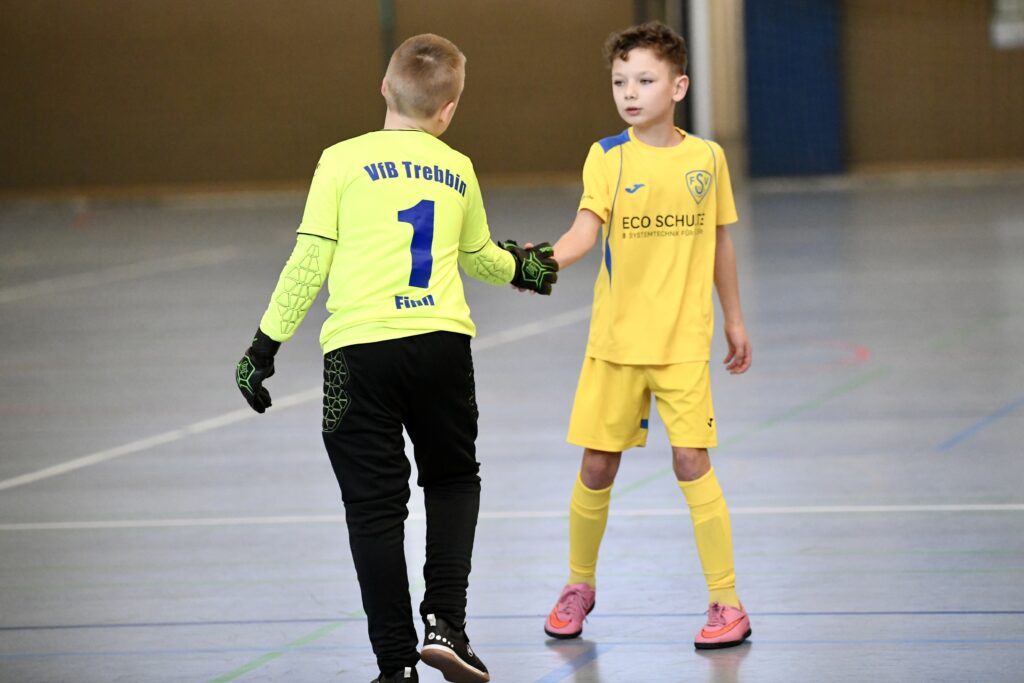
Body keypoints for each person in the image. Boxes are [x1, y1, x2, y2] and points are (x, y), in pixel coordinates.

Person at [234, 34, 558, 683]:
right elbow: (479, 259)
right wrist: (524, 266)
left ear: (383, 88)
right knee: (451, 478)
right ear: (450, 110)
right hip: (442, 347)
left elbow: (308, 264)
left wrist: (262, 348)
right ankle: (447, 622)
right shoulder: (457, 166)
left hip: (358, 356)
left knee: (375, 509)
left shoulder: (341, 161)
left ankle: (394, 665)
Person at [540, 21, 753, 650]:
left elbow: (719, 242)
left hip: (684, 343)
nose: (629, 92)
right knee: (597, 465)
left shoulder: (707, 159)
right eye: (619, 81)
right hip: (615, 342)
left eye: (644, 79)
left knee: (692, 462)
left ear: (679, 85)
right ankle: (579, 584)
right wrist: (541, 261)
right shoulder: (607, 156)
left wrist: (734, 320)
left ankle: (726, 600)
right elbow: (584, 232)